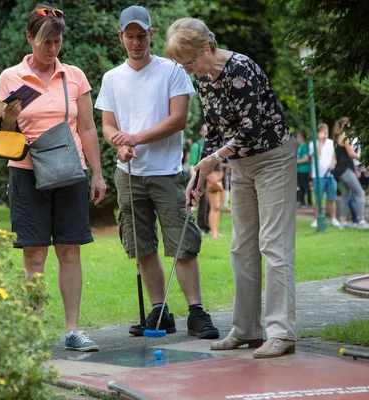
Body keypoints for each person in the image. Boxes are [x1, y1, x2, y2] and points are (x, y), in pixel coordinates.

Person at [166, 17, 297, 358]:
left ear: (207, 48)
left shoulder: (241, 68)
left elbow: (251, 128)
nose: (189, 70)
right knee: (241, 246)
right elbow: (213, 129)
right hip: (241, 164)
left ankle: (281, 333)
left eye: (191, 62)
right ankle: (247, 329)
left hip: (272, 158)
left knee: (273, 244)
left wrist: (216, 160)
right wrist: (197, 176)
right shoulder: (204, 79)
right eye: (183, 65)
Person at [95, 6, 219, 340]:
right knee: (142, 245)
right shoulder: (112, 78)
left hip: (166, 172)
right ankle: (160, 312)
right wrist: (119, 145)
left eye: (142, 35)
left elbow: (178, 119)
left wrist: (135, 137)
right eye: (130, 36)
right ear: (120, 37)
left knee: (182, 244)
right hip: (129, 172)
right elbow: (108, 126)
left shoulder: (172, 70)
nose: (136, 42)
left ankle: (197, 312)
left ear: (152, 33)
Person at [0, 5, 106, 352]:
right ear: (30, 38)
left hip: (69, 172)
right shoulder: (10, 78)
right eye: (45, 42)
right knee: (34, 256)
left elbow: (87, 127)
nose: (52, 49)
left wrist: (97, 174)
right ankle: (31, 333)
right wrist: (10, 117)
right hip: (27, 173)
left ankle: (73, 330)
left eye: (57, 42)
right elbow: (3, 136)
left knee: (70, 250)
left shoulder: (74, 76)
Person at [332, 117, 369, 229]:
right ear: (343, 126)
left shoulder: (337, 138)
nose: (350, 127)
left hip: (340, 170)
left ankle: (342, 222)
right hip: (346, 170)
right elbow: (351, 153)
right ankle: (361, 221)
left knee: (345, 196)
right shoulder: (344, 136)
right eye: (348, 125)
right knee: (360, 192)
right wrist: (365, 161)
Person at [309, 123, 340, 227]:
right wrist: (321, 142)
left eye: (326, 131)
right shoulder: (312, 143)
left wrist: (333, 164)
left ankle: (333, 219)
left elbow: (335, 157)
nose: (325, 133)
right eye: (323, 131)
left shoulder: (331, 143)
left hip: (329, 175)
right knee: (318, 198)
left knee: (332, 198)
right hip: (318, 176)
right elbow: (317, 156)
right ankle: (317, 218)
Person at [190, 124, 210, 234]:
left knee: (210, 202)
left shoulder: (211, 145)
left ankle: (208, 226)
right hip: (199, 176)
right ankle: (201, 226)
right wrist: (195, 181)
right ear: (201, 132)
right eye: (205, 131)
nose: (206, 133)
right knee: (202, 202)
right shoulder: (196, 146)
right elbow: (192, 165)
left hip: (210, 176)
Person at [295, 132, 312, 208]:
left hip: (304, 170)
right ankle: (302, 202)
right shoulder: (300, 147)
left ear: (302, 137)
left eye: (298, 137)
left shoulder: (304, 146)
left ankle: (309, 202)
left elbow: (306, 158)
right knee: (301, 186)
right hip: (299, 170)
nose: (297, 138)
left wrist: (296, 162)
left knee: (305, 186)